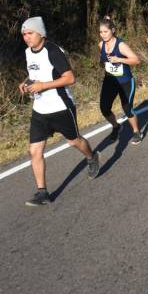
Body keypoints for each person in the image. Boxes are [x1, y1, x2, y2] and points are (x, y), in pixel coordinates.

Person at [19, 17, 100, 207]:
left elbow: (70, 78)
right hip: (40, 110)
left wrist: (43, 85)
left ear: (41, 33)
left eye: (30, 33)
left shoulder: (54, 51)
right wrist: (25, 82)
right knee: (34, 151)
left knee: (74, 141)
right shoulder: (28, 52)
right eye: (24, 34)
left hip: (61, 107)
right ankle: (42, 193)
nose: (26, 37)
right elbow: (35, 74)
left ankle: (91, 157)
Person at [98, 17, 143, 144]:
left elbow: (136, 60)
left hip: (125, 81)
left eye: (105, 32)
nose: (103, 35)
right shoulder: (101, 45)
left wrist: (119, 59)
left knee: (127, 108)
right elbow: (103, 60)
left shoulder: (121, 45)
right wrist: (104, 63)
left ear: (113, 30)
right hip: (110, 80)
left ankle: (136, 131)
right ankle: (116, 127)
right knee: (104, 108)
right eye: (100, 32)